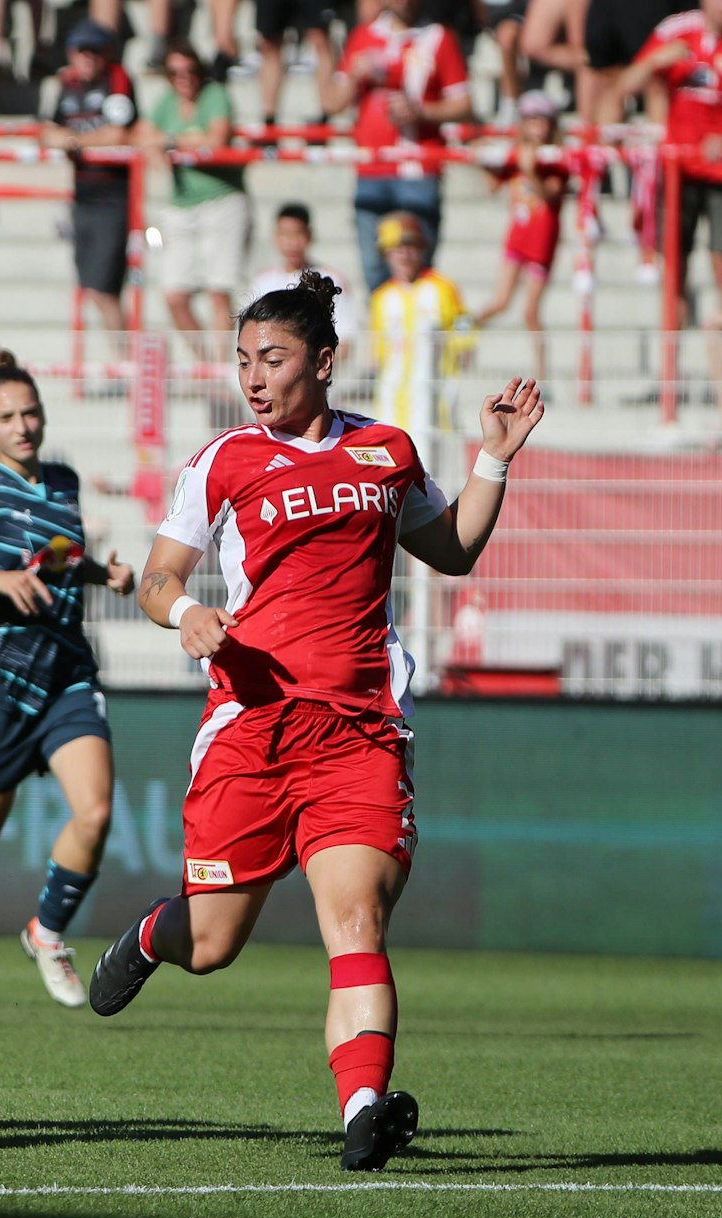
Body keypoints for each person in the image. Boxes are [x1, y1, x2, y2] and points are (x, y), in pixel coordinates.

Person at [85, 271, 546, 1172]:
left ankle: (365, 1107)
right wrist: (188, 617)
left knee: (356, 918)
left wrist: (494, 457)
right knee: (212, 944)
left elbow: (449, 550)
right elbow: (155, 578)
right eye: (244, 360)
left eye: (275, 359)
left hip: (359, 732)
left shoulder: (386, 451)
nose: (254, 378)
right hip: (250, 730)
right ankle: (152, 934)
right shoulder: (223, 459)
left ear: (324, 362)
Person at [0, 347, 137, 1029]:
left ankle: (45, 931)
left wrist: (104, 575)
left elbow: (59, 560)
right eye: (8, 416)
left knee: (95, 813)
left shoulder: (64, 481)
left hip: (68, 666)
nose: (23, 425)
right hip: (0, 676)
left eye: (31, 411)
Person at [322, 0, 473, 293]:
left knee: (419, 269)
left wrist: (421, 111)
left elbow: (464, 104)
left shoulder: (438, 38)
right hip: (372, 169)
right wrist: (354, 75)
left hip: (418, 170)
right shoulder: (363, 35)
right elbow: (332, 103)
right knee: (374, 269)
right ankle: (384, 334)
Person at [615, 0, 722, 330]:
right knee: (673, 267)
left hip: (718, 175)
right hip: (678, 174)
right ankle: (672, 369)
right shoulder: (677, 31)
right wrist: (654, 64)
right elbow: (624, 85)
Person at [137, 39, 248, 345]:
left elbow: (215, 139)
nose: (182, 78)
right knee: (174, 294)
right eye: (174, 73)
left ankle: (221, 372)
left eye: (189, 70)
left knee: (218, 292)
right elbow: (142, 134)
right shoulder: (166, 102)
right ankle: (206, 369)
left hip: (221, 199)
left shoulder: (215, 95)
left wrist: (168, 140)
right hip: (182, 204)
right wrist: (179, 140)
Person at [41, 20, 136, 338]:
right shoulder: (66, 84)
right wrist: (67, 139)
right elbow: (49, 131)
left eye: (94, 50)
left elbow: (119, 133)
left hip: (114, 195)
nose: (88, 57)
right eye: (82, 51)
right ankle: (122, 361)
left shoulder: (117, 79)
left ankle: (125, 362)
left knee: (104, 287)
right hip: (81, 196)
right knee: (91, 286)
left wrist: (76, 142)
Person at [475, 91, 570, 379]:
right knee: (500, 301)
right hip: (518, 236)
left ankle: (542, 375)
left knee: (530, 311)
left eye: (543, 118)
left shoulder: (556, 159)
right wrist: (484, 159)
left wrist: (531, 172)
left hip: (542, 241)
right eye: (531, 118)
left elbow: (551, 196)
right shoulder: (517, 156)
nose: (537, 124)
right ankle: (459, 335)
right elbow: (493, 185)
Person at [370, 212, 472, 440]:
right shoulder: (381, 297)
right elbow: (377, 349)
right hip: (393, 397)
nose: (404, 255)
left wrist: (464, 346)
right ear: (386, 254)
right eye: (397, 248)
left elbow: (463, 321)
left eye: (411, 247)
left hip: (435, 390)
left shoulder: (444, 287)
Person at [248, 203, 359, 359]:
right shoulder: (262, 281)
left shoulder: (331, 279)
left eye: (297, 234)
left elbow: (344, 340)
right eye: (285, 234)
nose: (291, 242)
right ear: (275, 236)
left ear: (309, 235)